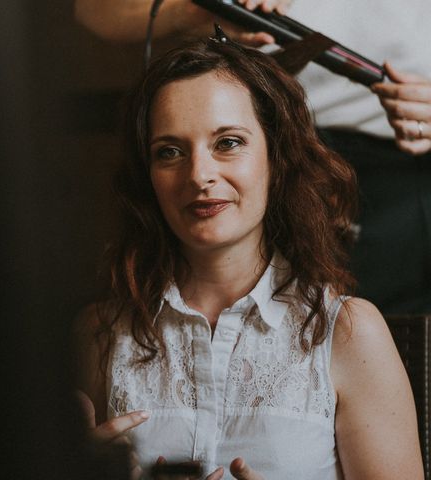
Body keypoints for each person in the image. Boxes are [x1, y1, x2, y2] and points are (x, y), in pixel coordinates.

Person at [75, 38, 423, 479]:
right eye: (170, 151)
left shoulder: (351, 332)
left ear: (275, 159)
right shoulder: (99, 334)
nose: (199, 174)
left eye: (228, 142)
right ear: (148, 177)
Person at [73, 0, 431, 314]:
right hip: (261, 148)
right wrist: (192, 10)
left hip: (403, 163)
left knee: (378, 333)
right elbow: (97, 9)